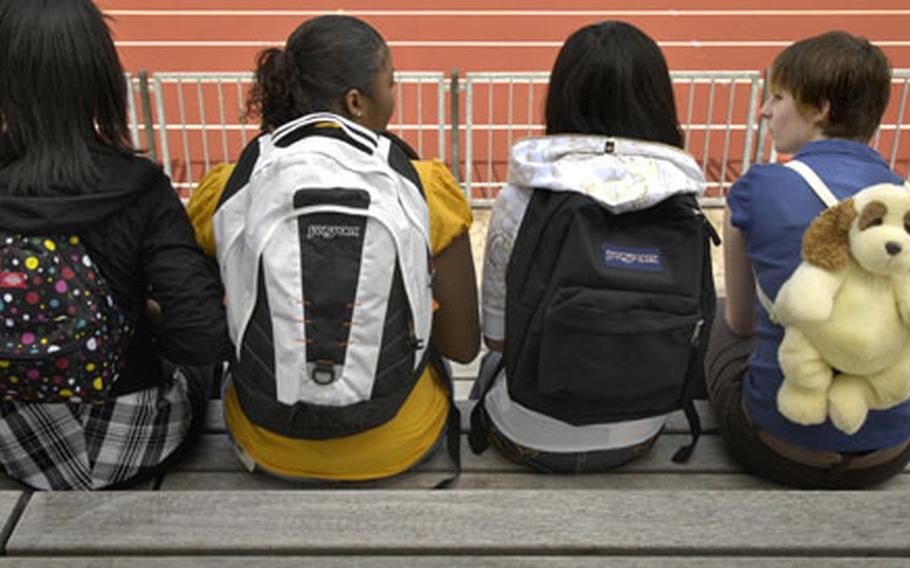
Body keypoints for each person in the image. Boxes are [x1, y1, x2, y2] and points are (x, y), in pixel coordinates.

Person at [215, 15, 479, 482]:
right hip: (397, 441)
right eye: (391, 83)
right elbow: (461, 347)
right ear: (356, 102)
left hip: (266, 442)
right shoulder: (426, 187)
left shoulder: (229, 189)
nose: (395, 96)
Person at [0, 0, 230, 490]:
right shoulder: (141, 188)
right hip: (136, 440)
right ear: (102, 76)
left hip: (19, 443)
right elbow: (201, 336)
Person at [473, 21, 711, 472]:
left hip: (531, 435)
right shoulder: (682, 198)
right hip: (639, 435)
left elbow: (497, 338)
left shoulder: (523, 199)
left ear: (562, 94)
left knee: (486, 373)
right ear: (659, 100)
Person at [708, 30, 910, 488]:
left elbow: (740, 322)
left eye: (777, 97)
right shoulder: (902, 204)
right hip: (888, 453)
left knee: (719, 317)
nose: (764, 111)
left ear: (820, 109)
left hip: (779, 449)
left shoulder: (758, 186)